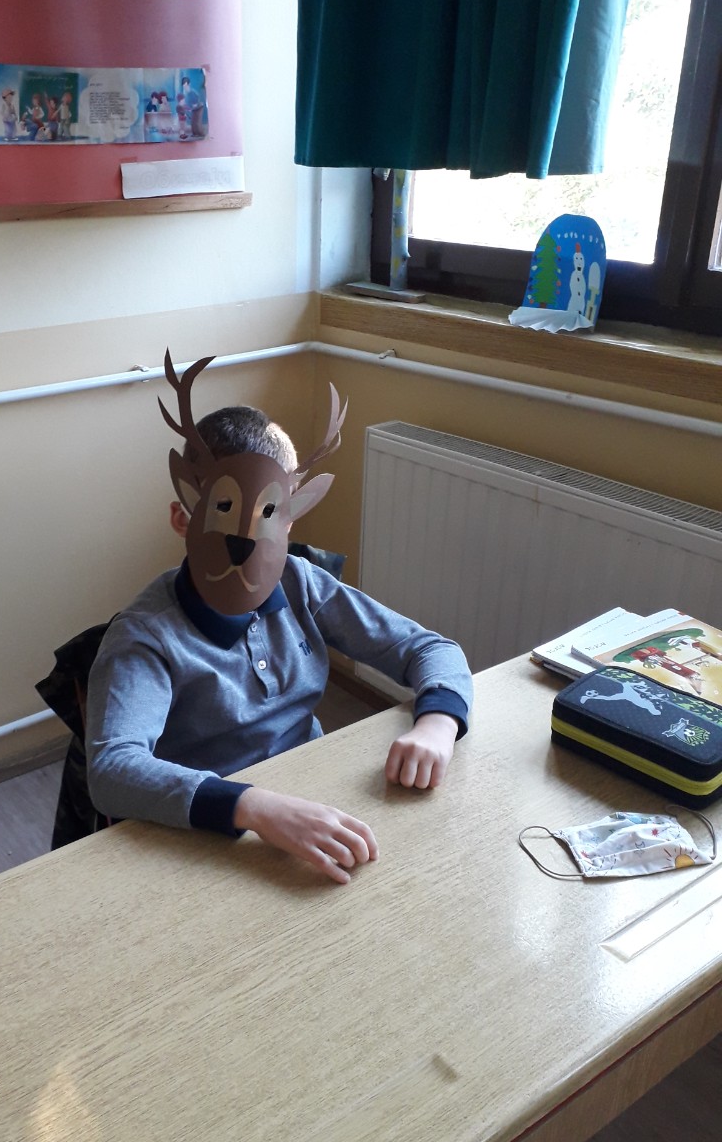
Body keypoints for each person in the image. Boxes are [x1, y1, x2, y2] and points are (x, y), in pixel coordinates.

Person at [79, 354, 472, 885]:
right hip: (209, 833)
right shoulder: (147, 636)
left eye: (270, 514)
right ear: (183, 517)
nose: (246, 540)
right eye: (223, 510)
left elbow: (429, 648)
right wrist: (256, 807)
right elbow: (113, 770)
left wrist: (437, 725)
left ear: (290, 520)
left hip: (313, 793)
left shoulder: (300, 582)